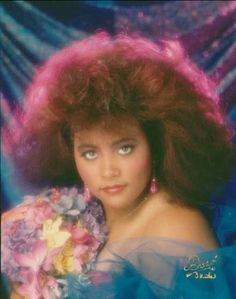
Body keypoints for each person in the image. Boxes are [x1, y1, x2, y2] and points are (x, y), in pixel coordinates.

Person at [2, 33, 236, 299]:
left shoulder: (178, 225)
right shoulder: (82, 219)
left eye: (125, 148)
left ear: (157, 145)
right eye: (90, 153)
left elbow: (211, 284)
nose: (108, 171)